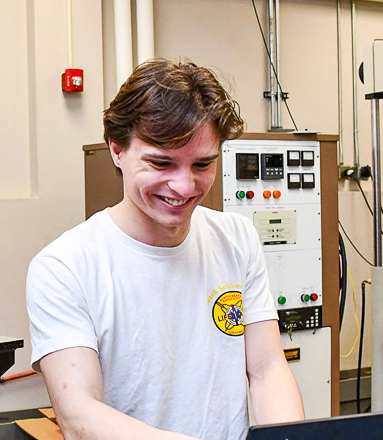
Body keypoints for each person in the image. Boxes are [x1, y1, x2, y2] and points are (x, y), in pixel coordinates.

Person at [26, 59, 305, 439]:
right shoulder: (65, 267)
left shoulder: (236, 239)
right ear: (116, 150)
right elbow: (79, 415)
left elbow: (267, 368)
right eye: (161, 163)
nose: (184, 186)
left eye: (203, 164)